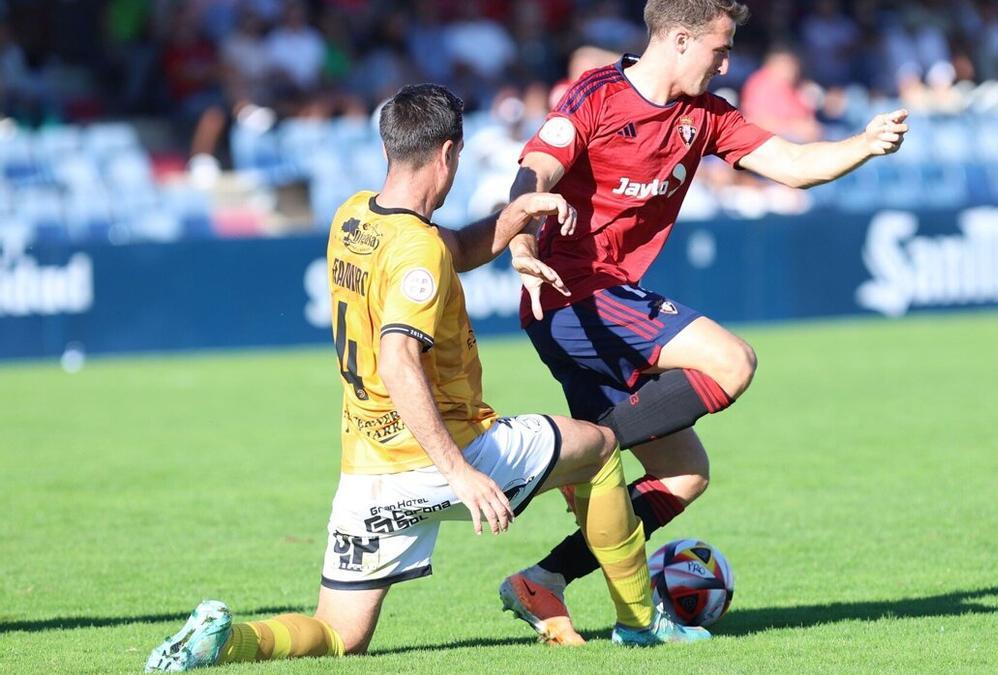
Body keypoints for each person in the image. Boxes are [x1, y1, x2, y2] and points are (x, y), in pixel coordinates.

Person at [145, 83, 709, 672]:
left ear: (388, 147)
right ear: (448, 153)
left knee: (340, 635)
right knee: (598, 448)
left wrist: (515, 216)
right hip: (447, 451)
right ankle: (640, 624)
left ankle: (224, 641)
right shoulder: (418, 254)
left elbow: (456, 246)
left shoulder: (353, 215)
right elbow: (398, 359)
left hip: (369, 472)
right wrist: (460, 473)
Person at [500, 0, 908, 643]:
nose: (726, 64)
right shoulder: (597, 96)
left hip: (606, 301)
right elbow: (536, 172)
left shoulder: (706, 115)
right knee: (731, 361)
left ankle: (544, 579)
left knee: (684, 476)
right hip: (571, 293)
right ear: (682, 40)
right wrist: (521, 242)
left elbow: (794, 166)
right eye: (720, 50)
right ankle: (574, 457)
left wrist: (865, 143)